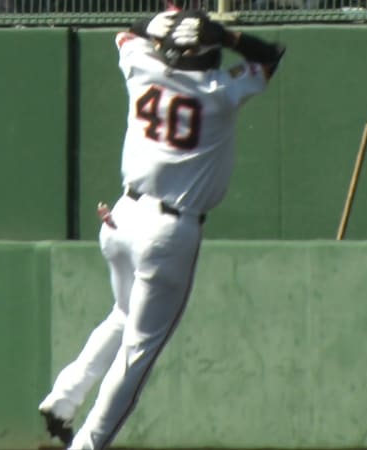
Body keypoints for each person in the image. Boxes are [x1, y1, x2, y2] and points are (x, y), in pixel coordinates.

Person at [38, 10, 285, 450]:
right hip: (168, 230)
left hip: (121, 217)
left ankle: (63, 398)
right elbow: (271, 56)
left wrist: (155, 24)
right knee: (138, 353)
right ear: (208, 53)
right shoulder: (219, 91)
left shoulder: (141, 67)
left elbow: (126, 34)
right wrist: (226, 35)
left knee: (123, 314)